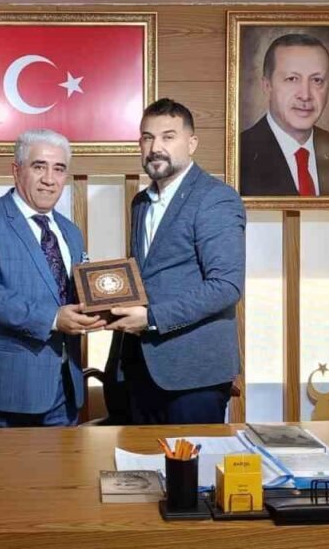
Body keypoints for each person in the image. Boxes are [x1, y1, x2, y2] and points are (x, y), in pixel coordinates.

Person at [104, 99, 247, 425]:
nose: (156, 147)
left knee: (191, 461)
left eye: (168, 137)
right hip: (138, 370)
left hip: (193, 376)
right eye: (147, 137)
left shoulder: (215, 198)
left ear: (191, 143)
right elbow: (146, 276)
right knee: (141, 459)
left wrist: (151, 317)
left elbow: (226, 286)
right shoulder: (141, 202)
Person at [0, 129, 105, 427]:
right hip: (5, 391)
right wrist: (53, 318)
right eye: (39, 166)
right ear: (16, 169)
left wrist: (103, 309)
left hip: (65, 389)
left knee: (64, 461)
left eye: (59, 169)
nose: (49, 179)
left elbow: (73, 294)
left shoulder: (70, 231)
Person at [239, 33, 329, 197]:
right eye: (292, 79)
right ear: (267, 86)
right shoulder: (240, 154)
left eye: (317, 80)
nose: (305, 95)